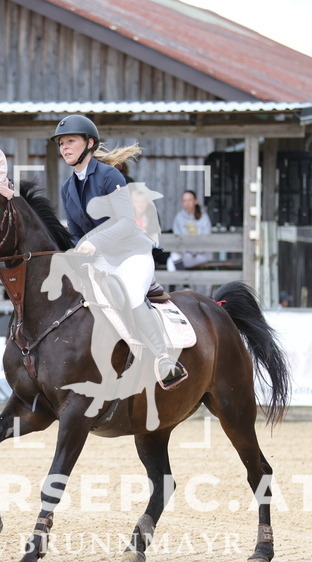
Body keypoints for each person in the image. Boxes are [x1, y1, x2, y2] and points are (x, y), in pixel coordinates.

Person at [50, 114, 186, 389]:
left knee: (132, 297)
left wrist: (95, 243)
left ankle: (164, 360)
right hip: (100, 258)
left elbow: (125, 222)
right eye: (61, 143)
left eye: (70, 141)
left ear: (89, 143)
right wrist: (76, 251)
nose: (65, 147)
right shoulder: (68, 188)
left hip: (130, 256)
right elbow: (76, 232)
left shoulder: (109, 176)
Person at [168, 189, 212, 271]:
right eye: (184, 200)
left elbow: (206, 239)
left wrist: (194, 251)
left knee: (171, 261)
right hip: (185, 253)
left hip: (201, 254)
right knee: (174, 258)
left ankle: (182, 282)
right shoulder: (179, 217)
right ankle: (184, 282)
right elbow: (177, 238)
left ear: (195, 201)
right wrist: (187, 250)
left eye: (190, 200)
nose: (187, 203)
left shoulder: (204, 217)